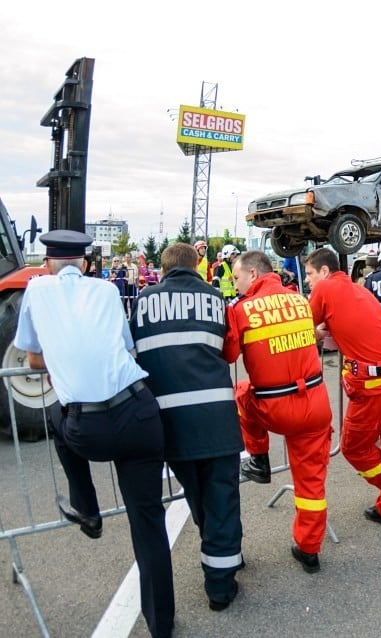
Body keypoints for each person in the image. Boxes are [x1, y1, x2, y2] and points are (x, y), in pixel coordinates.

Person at [13, 231, 174, 638]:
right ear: (84, 264)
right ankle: (161, 623)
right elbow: (124, 346)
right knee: (148, 521)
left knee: (56, 418)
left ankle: (88, 509)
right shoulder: (105, 290)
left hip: (89, 429)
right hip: (139, 413)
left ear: (48, 264)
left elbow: (33, 358)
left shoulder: (35, 291)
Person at [129, 242, 244, 611]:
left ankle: (217, 547)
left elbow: (135, 352)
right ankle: (220, 584)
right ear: (197, 265)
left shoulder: (142, 301)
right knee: (222, 497)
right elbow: (227, 351)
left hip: (169, 423)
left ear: (162, 269)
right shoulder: (215, 298)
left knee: (198, 494)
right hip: (217, 417)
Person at [222, 250, 333, 573]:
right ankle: (309, 550)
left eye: (237, 276)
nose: (235, 282)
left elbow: (229, 354)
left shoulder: (242, 309)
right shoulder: (299, 300)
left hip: (275, 406)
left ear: (253, 275)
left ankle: (259, 458)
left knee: (241, 391)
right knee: (311, 483)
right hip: (315, 403)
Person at [305, 248, 381, 529]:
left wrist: (316, 333)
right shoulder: (357, 289)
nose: (308, 281)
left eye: (310, 274)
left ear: (324, 271)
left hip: (380, 384)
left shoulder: (325, 290)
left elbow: (302, 327)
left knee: (354, 447)